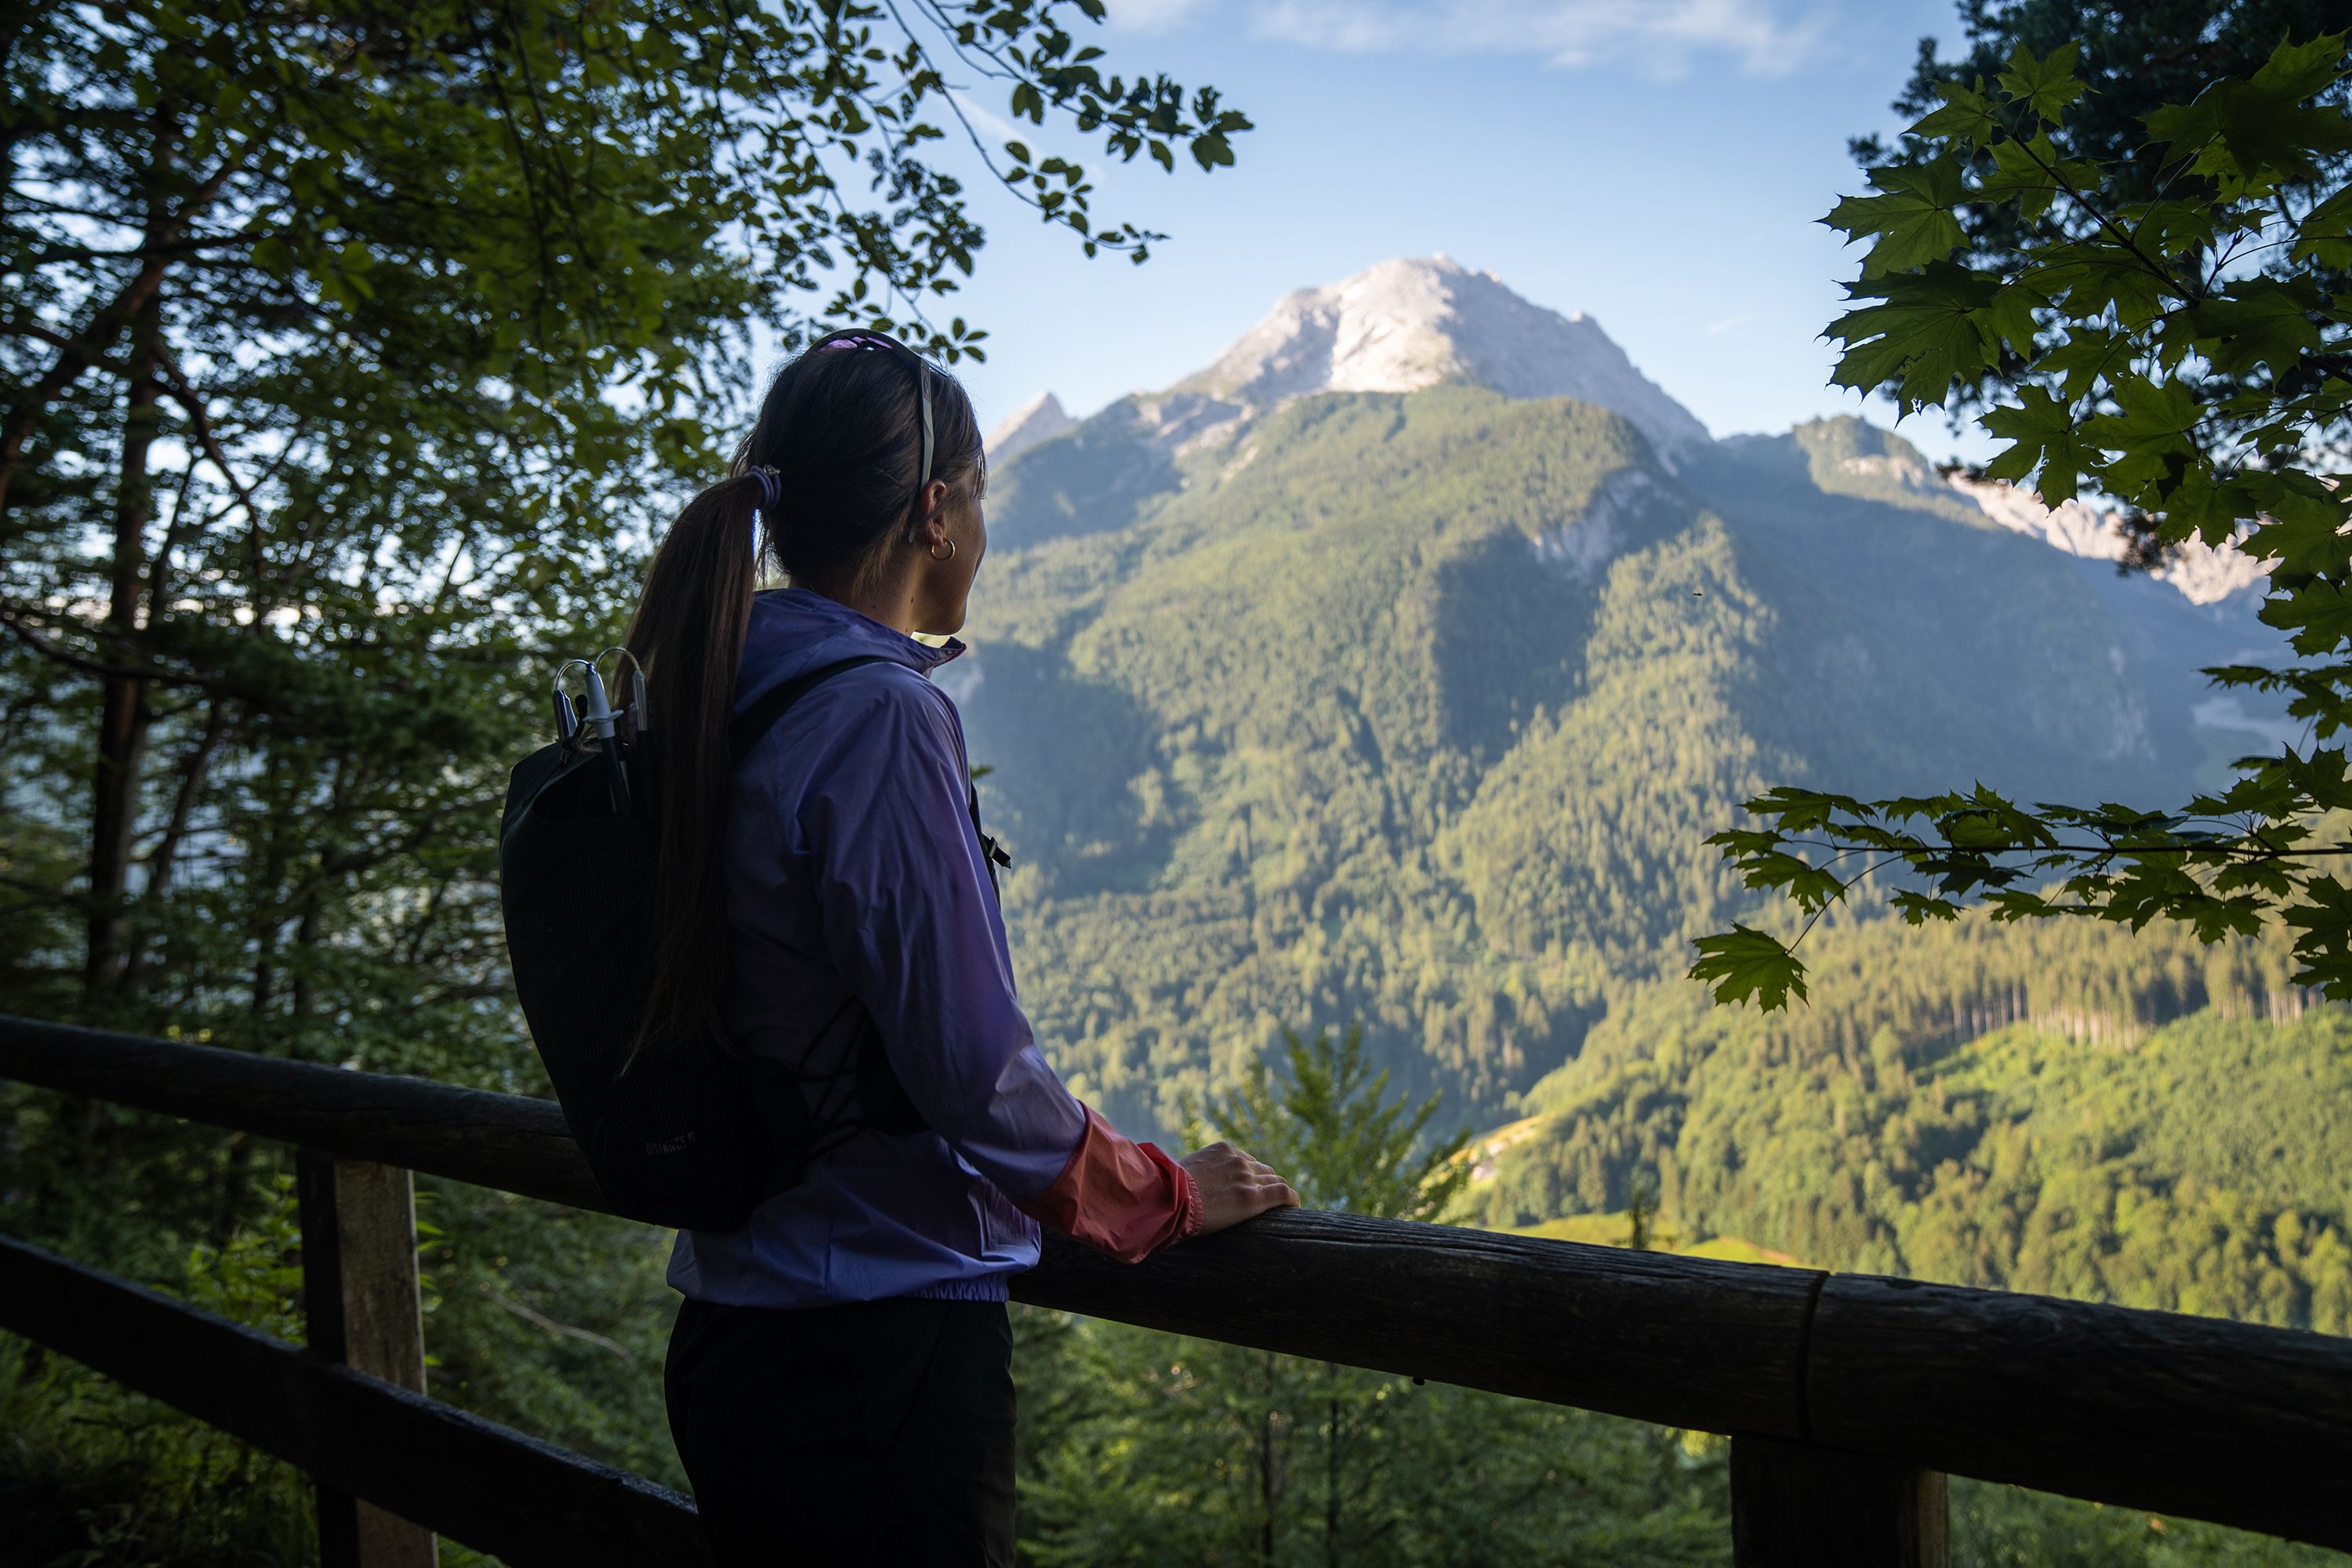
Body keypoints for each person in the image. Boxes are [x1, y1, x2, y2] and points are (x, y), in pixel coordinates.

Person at [622, 328, 1300, 1566]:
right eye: (982, 497)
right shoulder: (877, 715)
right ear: (936, 513)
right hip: (876, 1351)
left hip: (738, 1324)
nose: (986, 529)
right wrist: (1169, 1194)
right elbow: (973, 1069)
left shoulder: (721, 686)